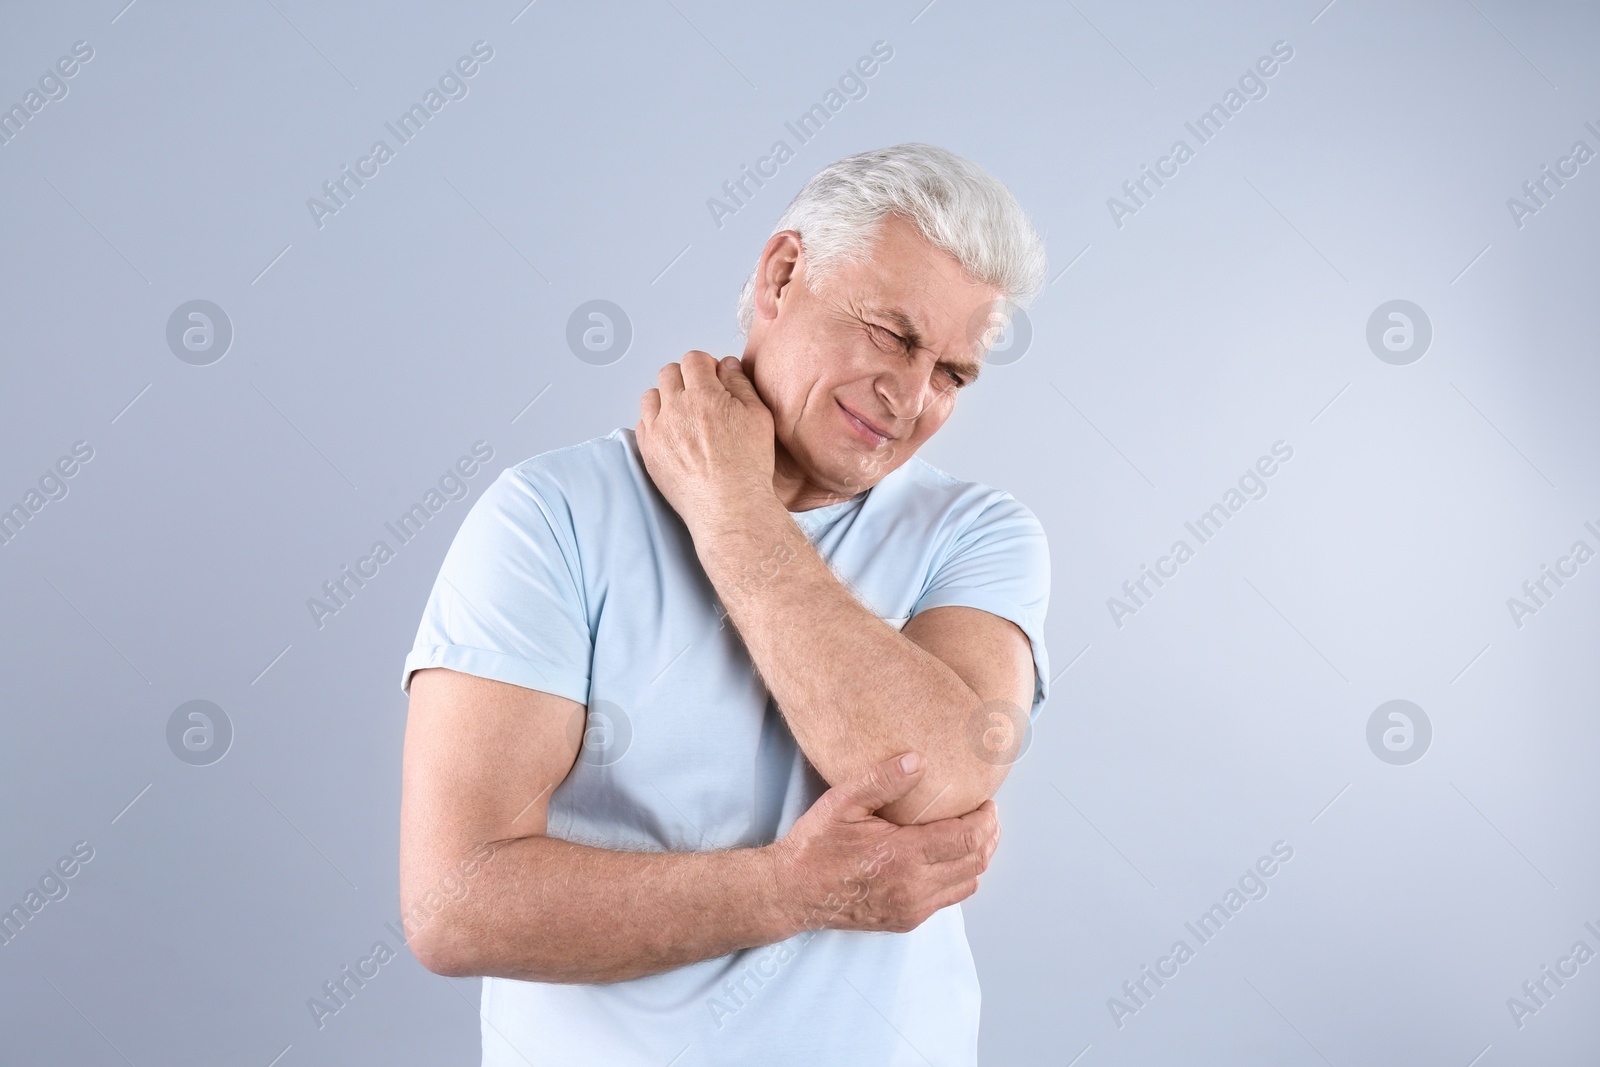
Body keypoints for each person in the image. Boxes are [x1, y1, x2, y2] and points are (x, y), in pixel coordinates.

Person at [399, 142, 1051, 1066]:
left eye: (951, 372)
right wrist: (787, 889)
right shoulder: (549, 516)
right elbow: (454, 905)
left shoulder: (979, 533)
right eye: (893, 335)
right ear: (783, 275)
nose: (908, 395)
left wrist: (732, 508)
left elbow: (935, 772)